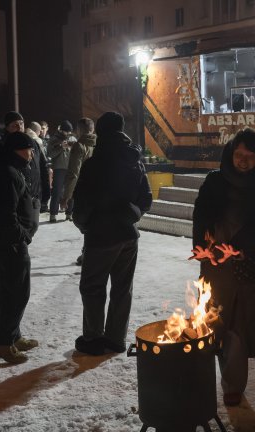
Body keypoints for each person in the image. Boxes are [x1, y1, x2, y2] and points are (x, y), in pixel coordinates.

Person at [191, 127, 255, 407]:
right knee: (229, 329)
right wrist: (203, 248)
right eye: (238, 154)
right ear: (230, 154)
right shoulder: (214, 181)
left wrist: (235, 248)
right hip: (219, 271)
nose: (243, 160)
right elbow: (200, 216)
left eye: (250, 155)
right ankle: (232, 386)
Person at [71, 112, 152, 356]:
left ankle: (94, 339)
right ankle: (116, 339)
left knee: (93, 286)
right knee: (122, 287)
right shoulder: (134, 160)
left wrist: (86, 225)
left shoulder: (94, 164)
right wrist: (130, 214)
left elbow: (81, 203)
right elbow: (146, 199)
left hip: (100, 235)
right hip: (128, 235)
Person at [0, 132, 40, 364]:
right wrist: (22, 235)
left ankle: (12, 337)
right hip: (11, 241)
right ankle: (3, 343)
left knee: (11, 289)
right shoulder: (7, 174)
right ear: (16, 150)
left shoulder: (10, 170)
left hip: (9, 240)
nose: (31, 153)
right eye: (28, 149)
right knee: (17, 292)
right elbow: (7, 214)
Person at [61, 117, 97, 266]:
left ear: (80, 130)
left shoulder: (80, 146)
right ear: (92, 129)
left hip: (84, 191)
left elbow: (73, 174)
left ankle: (88, 253)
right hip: (99, 189)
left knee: (84, 222)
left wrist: (66, 197)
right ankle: (91, 251)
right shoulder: (100, 144)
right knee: (94, 223)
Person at [46, 121, 75, 223]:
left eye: (69, 132)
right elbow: (50, 154)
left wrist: (73, 147)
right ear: (61, 130)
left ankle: (69, 213)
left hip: (71, 168)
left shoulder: (72, 138)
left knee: (71, 191)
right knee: (56, 191)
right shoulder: (54, 139)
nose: (67, 134)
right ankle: (53, 214)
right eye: (66, 132)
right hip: (59, 168)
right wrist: (61, 147)